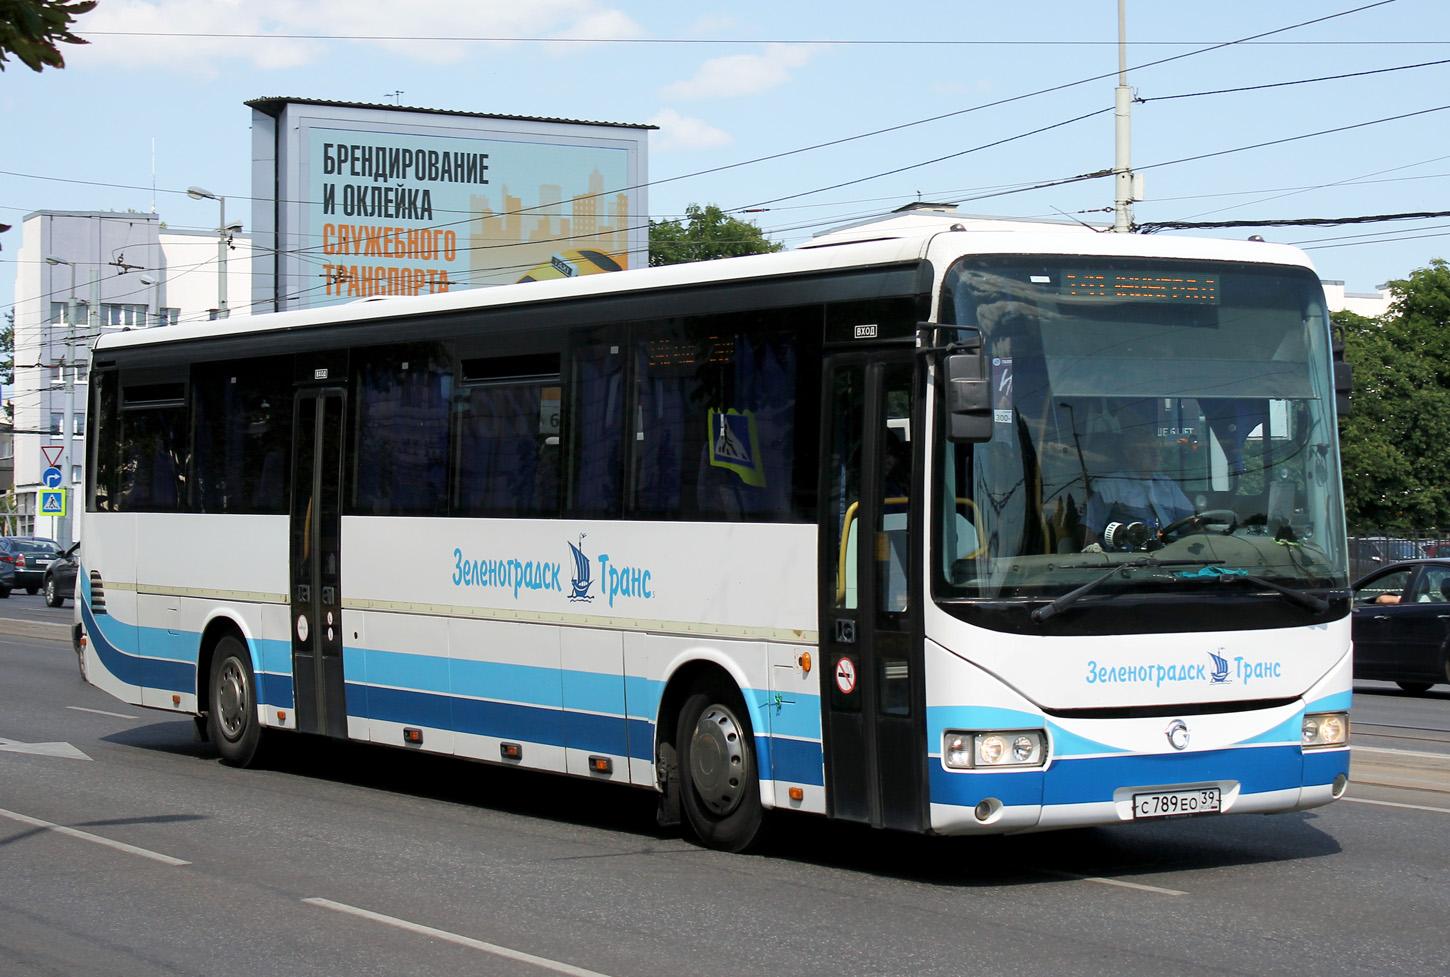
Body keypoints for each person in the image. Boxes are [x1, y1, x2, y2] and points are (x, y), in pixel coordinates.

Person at [1084, 426, 1194, 549]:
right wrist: (1095, 553)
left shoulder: (1167, 484)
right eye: (1148, 450)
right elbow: (1088, 531)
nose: (1156, 455)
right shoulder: (1109, 487)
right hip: (1128, 558)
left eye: (1157, 449)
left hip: (1174, 555)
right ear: (1129, 454)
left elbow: (1191, 523)